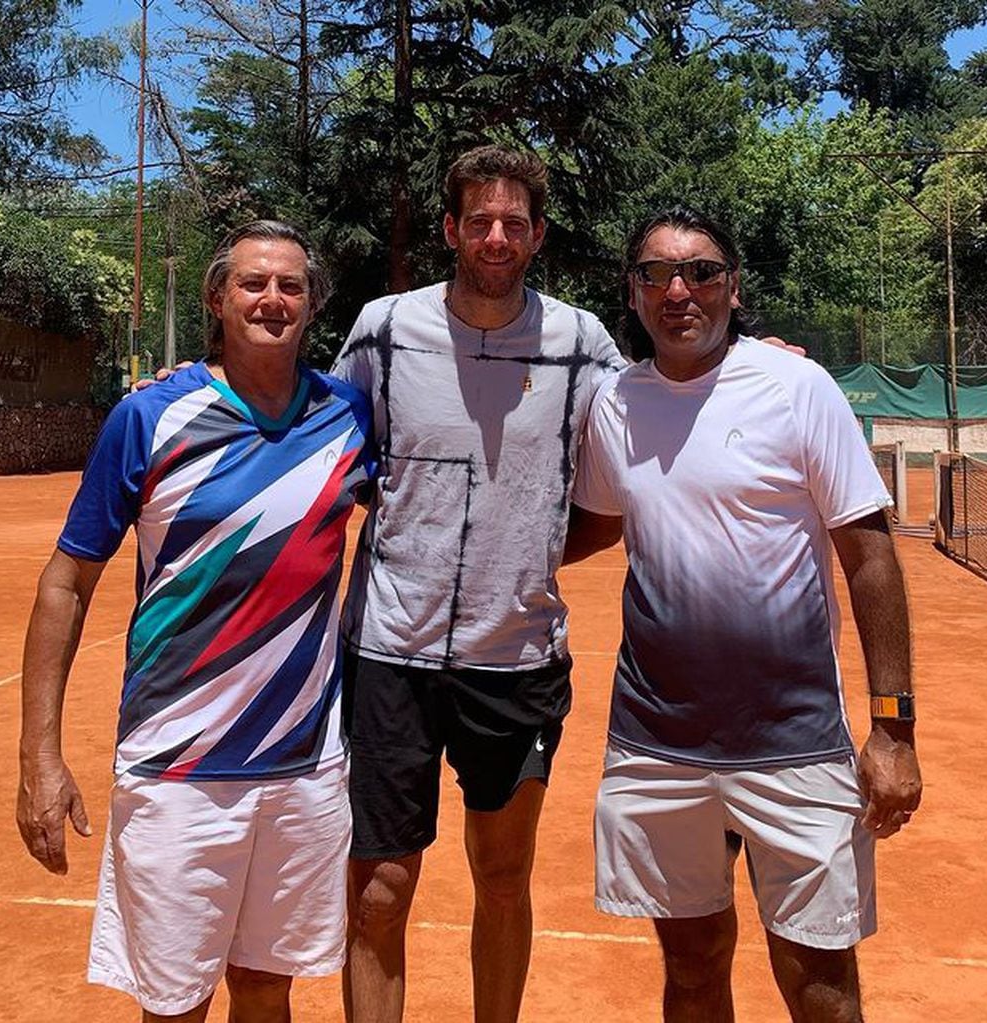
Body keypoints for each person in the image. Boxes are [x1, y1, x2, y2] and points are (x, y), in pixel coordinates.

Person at [565, 206, 922, 1022]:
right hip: (656, 742)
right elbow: (593, 522)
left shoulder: (795, 386)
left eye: (699, 271)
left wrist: (893, 726)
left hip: (794, 739)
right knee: (690, 969)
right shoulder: (615, 403)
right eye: (655, 273)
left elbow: (867, 554)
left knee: (817, 977)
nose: (677, 289)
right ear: (632, 291)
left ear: (733, 286)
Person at [16, 220, 376, 1022]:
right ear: (217, 298)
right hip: (177, 768)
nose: (272, 299)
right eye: (252, 282)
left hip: (303, 765)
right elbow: (66, 582)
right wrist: (38, 755)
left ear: (312, 304)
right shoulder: (148, 418)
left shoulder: (349, 416)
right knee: (175, 1003)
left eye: (290, 285)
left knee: (265, 989)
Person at [330, 144, 627, 1023]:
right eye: (478, 221)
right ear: (452, 229)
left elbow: (642, 447)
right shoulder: (383, 328)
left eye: (513, 223)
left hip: (518, 661)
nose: (495, 237)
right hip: (390, 655)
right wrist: (194, 386)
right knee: (380, 891)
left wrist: (748, 360)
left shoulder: (582, 343)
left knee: (503, 877)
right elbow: (315, 440)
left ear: (536, 235)